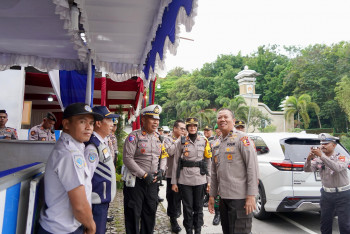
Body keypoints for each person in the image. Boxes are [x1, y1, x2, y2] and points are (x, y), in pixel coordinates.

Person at [38, 103, 103, 234]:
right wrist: (91, 226)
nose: (88, 127)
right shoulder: (69, 153)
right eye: (82, 121)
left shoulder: (74, 147)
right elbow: (79, 206)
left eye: (91, 123)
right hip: (62, 229)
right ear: (66, 124)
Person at [208, 108, 259, 234]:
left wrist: (251, 196)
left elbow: (252, 168)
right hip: (224, 198)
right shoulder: (216, 143)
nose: (222, 120)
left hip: (240, 198)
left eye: (226, 117)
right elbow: (214, 172)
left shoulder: (242, 139)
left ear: (233, 120)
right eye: (219, 117)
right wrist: (212, 195)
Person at [123, 104, 168, 234]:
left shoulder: (159, 138)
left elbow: (163, 156)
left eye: (157, 119)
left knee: (150, 213)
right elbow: (128, 158)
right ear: (143, 119)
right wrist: (143, 175)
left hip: (152, 183)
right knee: (133, 214)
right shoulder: (134, 136)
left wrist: (161, 171)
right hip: (136, 182)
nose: (156, 122)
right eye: (152, 119)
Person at [172, 117, 212, 234]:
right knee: (187, 208)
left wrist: (209, 181)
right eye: (190, 126)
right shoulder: (181, 141)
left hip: (200, 179)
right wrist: (174, 182)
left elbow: (208, 162)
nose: (192, 128)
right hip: (185, 180)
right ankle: (189, 230)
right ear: (187, 128)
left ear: (197, 127)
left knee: (198, 208)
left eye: (194, 126)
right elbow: (175, 162)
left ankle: (198, 230)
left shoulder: (204, 141)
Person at [304, 133, 350, 234]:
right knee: (325, 224)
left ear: (334, 145)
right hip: (326, 195)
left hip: (342, 194)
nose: (323, 146)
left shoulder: (342, 157)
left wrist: (322, 156)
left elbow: (337, 168)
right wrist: (308, 159)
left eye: (326, 143)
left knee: (345, 225)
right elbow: (307, 169)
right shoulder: (318, 159)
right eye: (321, 143)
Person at [84, 106, 118, 234]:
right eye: (109, 120)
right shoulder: (92, 146)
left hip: (101, 201)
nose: (112, 124)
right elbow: (86, 178)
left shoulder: (100, 142)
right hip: (95, 203)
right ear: (98, 123)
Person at [164, 119, 186, 233]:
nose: (184, 131)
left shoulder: (185, 140)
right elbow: (169, 152)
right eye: (182, 128)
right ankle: (173, 220)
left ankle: (179, 216)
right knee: (172, 198)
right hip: (171, 175)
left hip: (183, 175)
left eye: (184, 129)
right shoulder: (167, 139)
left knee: (181, 198)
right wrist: (178, 140)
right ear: (175, 128)